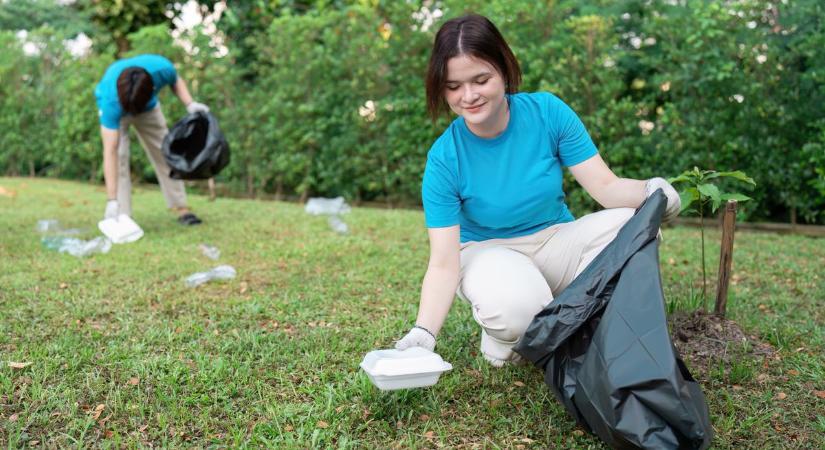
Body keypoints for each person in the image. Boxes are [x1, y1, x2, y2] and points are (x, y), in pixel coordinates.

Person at [394, 14, 681, 367]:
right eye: (453, 86)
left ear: (504, 70)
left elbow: (606, 188)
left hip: (556, 241)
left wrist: (653, 191)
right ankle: (511, 331)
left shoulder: (548, 112)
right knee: (518, 312)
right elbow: (443, 262)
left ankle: (571, 318)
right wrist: (424, 333)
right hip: (488, 254)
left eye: (480, 79)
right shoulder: (444, 158)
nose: (468, 96)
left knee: (633, 227)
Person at [95, 53, 208, 226]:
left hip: (148, 109)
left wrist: (189, 103)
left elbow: (176, 80)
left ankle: (181, 208)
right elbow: (110, 152)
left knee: (165, 153)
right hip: (119, 109)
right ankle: (121, 215)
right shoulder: (110, 101)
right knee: (120, 157)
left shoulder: (162, 68)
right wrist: (111, 199)